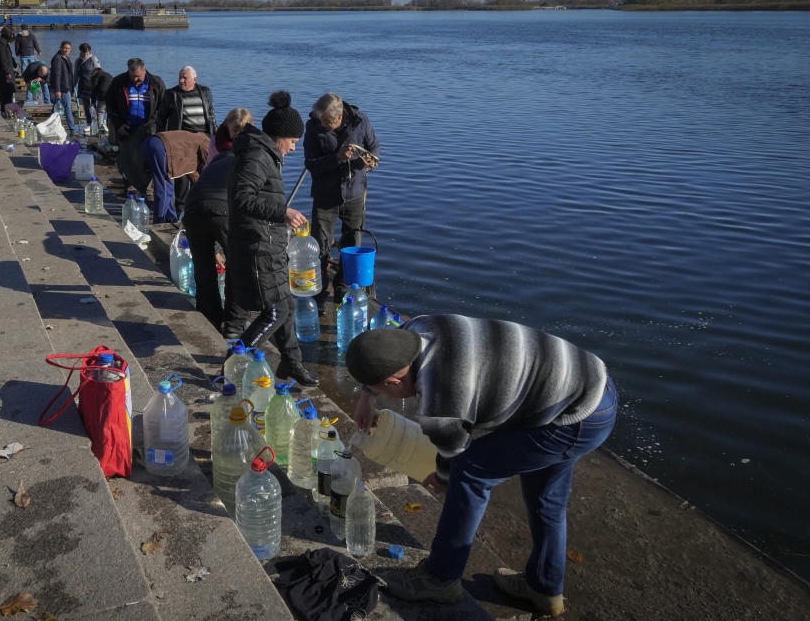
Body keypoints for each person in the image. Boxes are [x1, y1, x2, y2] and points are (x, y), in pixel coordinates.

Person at [345, 316, 617, 616]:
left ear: (393, 381)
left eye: (382, 390)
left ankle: (440, 579)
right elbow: (378, 352)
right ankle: (544, 588)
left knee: (470, 472)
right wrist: (367, 397)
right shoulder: (416, 328)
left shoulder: (441, 394)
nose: (383, 395)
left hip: (575, 416)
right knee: (545, 498)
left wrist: (441, 477)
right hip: (587, 383)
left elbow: (453, 451)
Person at [226, 91, 318, 387]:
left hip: (269, 244)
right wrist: (283, 212)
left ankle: (292, 364)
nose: (292, 149)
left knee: (287, 305)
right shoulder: (257, 155)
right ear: (280, 136)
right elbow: (242, 198)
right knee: (275, 310)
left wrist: (282, 221)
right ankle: (232, 365)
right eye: (293, 142)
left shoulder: (265, 154)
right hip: (256, 247)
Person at [182, 108, 253, 335]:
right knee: (237, 265)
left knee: (204, 269)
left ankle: (209, 318)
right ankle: (233, 325)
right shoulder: (250, 155)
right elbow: (247, 197)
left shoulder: (219, 154)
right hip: (221, 206)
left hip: (193, 205)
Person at [303, 93, 379, 304]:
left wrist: (372, 159)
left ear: (339, 118)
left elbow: (374, 146)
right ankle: (318, 291)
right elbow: (311, 163)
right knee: (320, 244)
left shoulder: (360, 121)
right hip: (325, 195)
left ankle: (343, 290)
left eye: (327, 122)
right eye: (322, 122)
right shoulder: (313, 126)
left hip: (354, 193)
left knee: (352, 243)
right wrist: (336, 158)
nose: (324, 125)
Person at [158, 65, 217, 210]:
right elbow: (161, 118)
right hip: (182, 140)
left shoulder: (205, 92)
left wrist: (215, 137)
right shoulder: (171, 94)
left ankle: (201, 205)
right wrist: (162, 139)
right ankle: (181, 209)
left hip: (203, 138)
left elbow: (211, 116)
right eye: (180, 77)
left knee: (205, 173)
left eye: (185, 78)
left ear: (194, 80)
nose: (181, 80)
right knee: (183, 176)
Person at [104, 58, 166, 193]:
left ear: (144, 70)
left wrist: (153, 123)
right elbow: (109, 104)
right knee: (128, 159)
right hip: (127, 128)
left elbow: (163, 107)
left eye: (138, 76)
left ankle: (148, 189)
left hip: (149, 128)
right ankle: (130, 188)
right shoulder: (119, 82)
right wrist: (118, 123)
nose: (135, 80)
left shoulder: (156, 83)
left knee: (148, 160)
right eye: (132, 77)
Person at [49, 40, 77, 134]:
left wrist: (72, 87)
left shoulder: (66, 58)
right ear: (60, 47)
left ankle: (50, 127)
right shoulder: (57, 59)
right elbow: (57, 75)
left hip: (66, 87)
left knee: (56, 109)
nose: (66, 50)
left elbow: (69, 75)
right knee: (67, 109)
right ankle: (72, 130)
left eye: (68, 48)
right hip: (61, 89)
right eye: (65, 48)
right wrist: (58, 90)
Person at [74, 43, 101, 135]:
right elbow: (75, 75)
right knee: (86, 106)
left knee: (95, 104)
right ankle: (89, 123)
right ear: (80, 51)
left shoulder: (93, 59)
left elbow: (99, 72)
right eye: (83, 51)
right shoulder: (77, 61)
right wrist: (73, 85)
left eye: (87, 52)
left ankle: (99, 123)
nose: (85, 53)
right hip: (82, 86)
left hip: (93, 86)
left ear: (89, 51)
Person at [0, 26, 17, 117]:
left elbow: (9, 56)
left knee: (8, 93)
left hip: (7, 72)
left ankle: (8, 111)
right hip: (4, 75)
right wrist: (7, 73)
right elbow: (3, 60)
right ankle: (5, 112)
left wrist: (14, 64)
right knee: (5, 93)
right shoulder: (1, 45)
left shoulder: (4, 43)